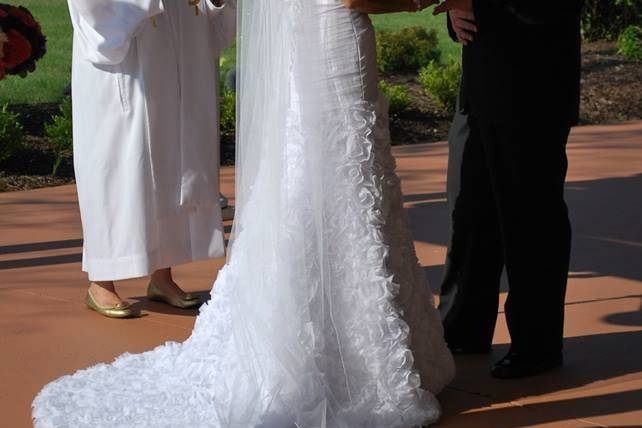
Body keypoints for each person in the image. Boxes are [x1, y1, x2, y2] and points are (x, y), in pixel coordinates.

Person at [33, 1, 455, 426]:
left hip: (309, 29)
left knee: (335, 171)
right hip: (318, 26)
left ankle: (342, 332)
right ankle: (333, 343)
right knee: (327, 169)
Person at [434, 0, 584, 378]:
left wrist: (478, 4)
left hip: (535, 84)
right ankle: (462, 327)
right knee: (468, 209)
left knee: (531, 216)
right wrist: (459, 13)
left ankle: (538, 344)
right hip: (481, 82)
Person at [67, 0, 236, 318]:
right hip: (128, 49)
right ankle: (102, 280)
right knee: (121, 158)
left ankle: (162, 276)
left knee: (169, 149)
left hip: (178, 30)